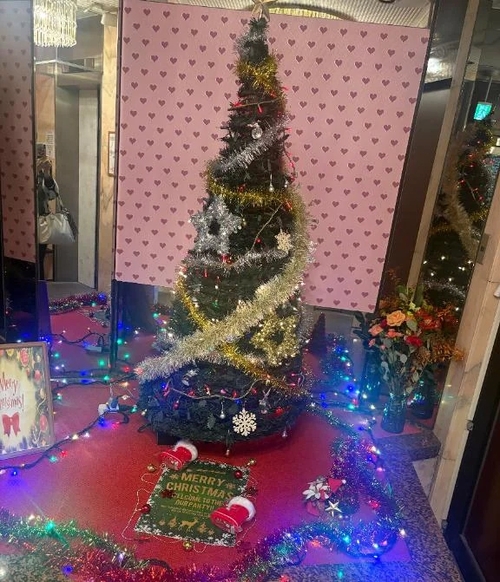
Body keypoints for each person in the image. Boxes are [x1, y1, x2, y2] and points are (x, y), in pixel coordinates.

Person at [36, 156, 58, 280]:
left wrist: (46, 173)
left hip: (41, 222)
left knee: (39, 257)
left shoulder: (42, 177)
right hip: (22, 223)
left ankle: (40, 286)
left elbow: (53, 195)